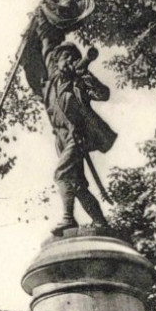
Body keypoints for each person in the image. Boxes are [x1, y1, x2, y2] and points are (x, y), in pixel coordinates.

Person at [42, 41, 116, 235]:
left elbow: (103, 94)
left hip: (77, 137)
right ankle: (101, 223)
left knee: (62, 174)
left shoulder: (79, 83)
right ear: (56, 62)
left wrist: (85, 73)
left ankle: (68, 219)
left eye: (73, 57)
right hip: (62, 139)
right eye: (65, 57)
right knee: (77, 185)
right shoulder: (49, 86)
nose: (69, 61)